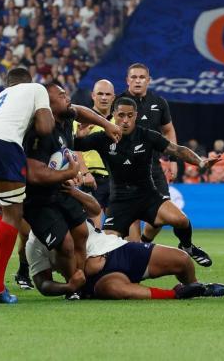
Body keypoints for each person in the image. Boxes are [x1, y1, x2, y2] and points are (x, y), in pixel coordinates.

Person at [73, 96, 216, 267]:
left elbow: (176, 150)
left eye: (130, 115)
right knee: (107, 248)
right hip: (120, 201)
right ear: (113, 115)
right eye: (120, 115)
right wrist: (78, 137)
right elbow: (71, 145)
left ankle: (187, 247)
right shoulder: (102, 138)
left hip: (148, 196)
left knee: (181, 220)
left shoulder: (147, 136)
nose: (125, 120)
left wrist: (200, 162)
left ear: (136, 115)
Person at [27, 185, 224, 300]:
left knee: (182, 260)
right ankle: (176, 294)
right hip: (96, 280)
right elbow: (42, 284)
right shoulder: (34, 242)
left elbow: (96, 209)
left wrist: (73, 191)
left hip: (118, 249)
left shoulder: (68, 206)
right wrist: (68, 287)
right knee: (116, 289)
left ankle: (196, 287)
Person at [19, 83, 120, 298]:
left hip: (61, 189)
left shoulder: (64, 119)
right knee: (64, 244)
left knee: (82, 233)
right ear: (47, 104)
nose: (68, 98)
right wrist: (71, 172)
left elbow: (81, 110)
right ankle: (71, 286)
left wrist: (106, 124)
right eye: (62, 95)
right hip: (39, 200)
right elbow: (35, 175)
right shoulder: (38, 133)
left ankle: (82, 280)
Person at [0, 67, 55, 304]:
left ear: (8, 84)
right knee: (14, 215)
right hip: (5, 146)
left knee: (1, 211)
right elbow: (46, 128)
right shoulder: (36, 89)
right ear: (28, 80)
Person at [117, 63, 176, 240]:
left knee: (162, 216)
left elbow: (169, 130)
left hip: (154, 167)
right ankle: (136, 252)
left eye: (142, 77)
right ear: (127, 80)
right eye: (133, 77)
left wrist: (172, 158)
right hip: (125, 168)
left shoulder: (159, 103)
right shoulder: (117, 102)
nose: (137, 81)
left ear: (148, 81)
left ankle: (144, 241)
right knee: (131, 218)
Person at [74, 78, 114, 225]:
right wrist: (85, 172)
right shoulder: (80, 120)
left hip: (113, 180)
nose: (104, 98)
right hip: (91, 180)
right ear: (93, 96)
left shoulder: (118, 122)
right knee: (93, 230)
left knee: (116, 232)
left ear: (113, 97)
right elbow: (74, 148)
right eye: (100, 94)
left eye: (108, 94)